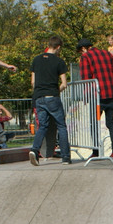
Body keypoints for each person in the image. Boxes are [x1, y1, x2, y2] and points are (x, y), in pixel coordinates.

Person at [29, 36, 71, 166]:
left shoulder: (36, 60)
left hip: (39, 97)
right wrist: (55, 91)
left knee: (42, 126)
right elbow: (64, 84)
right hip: (52, 96)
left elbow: (33, 82)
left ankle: (34, 150)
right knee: (61, 126)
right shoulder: (59, 62)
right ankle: (65, 157)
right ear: (58, 47)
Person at [78, 39, 113, 158]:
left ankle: (96, 152)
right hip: (110, 95)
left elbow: (86, 79)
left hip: (96, 97)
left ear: (83, 48)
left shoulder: (86, 57)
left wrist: (86, 97)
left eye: (81, 51)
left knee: (94, 124)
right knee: (111, 123)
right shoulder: (107, 54)